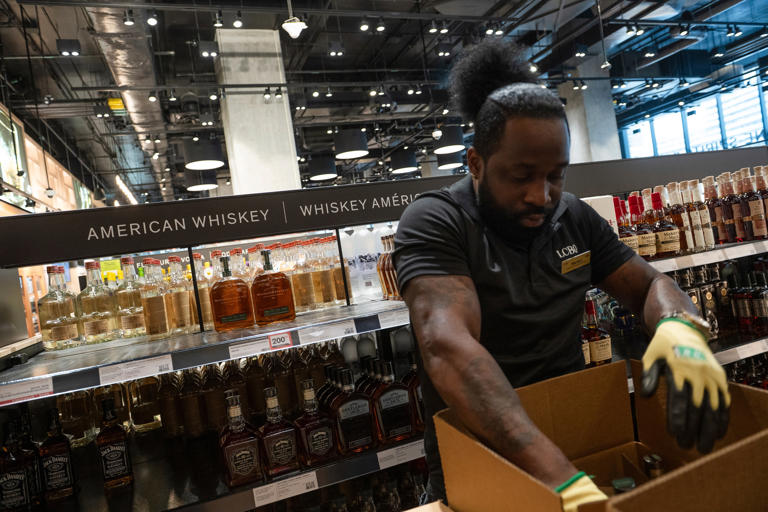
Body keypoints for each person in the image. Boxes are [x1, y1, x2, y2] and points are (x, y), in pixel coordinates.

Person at [393, 39, 730, 511]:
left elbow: (651, 284)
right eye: (521, 176)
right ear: (475, 163)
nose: (542, 195)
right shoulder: (436, 221)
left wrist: (678, 325)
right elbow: (448, 347)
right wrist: (560, 478)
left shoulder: (573, 217)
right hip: (476, 459)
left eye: (556, 175)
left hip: (569, 437)